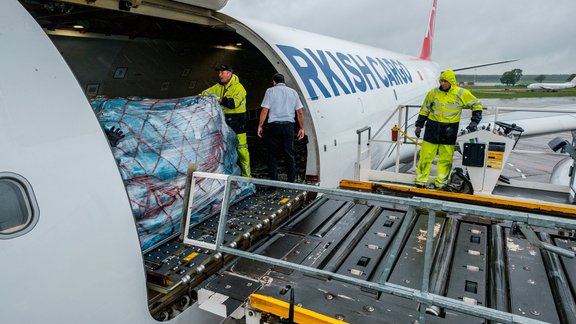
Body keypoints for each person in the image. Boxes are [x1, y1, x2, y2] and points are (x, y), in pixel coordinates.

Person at [414, 69, 482, 189]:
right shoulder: (433, 93)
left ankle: (441, 182)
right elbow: (424, 109)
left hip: (449, 129)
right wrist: (419, 125)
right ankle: (420, 180)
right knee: (425, 156)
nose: (442, 84)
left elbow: (477, 105)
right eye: (441, 81)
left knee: (445, 158)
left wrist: (474, 121)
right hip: (432, 128)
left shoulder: (462, 93)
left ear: (451, 82)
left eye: (445, 81)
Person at [201, 64, 251, 177]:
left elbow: (233, 104)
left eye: (222, 72)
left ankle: (247, 176)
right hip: (225, 123)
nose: (220, 75)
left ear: (229, 73)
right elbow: (203, 94)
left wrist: (219, 99)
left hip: (238, 124)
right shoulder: (217, 87)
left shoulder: (239, 88)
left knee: (241, 150)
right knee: (225, 150)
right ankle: (229, 176)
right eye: (219, 73)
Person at [257, 73, 305, 182]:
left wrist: (260, 125)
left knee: (272, 155)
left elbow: (265, 110)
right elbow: (299, 112)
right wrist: (302, 128)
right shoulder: (293, 92)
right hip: (288, 127)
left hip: (274, 127)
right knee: (289, 154)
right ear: (284, 82)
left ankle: (274, 183)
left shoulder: (270, 91)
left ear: (274, 82)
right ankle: (291, 181)